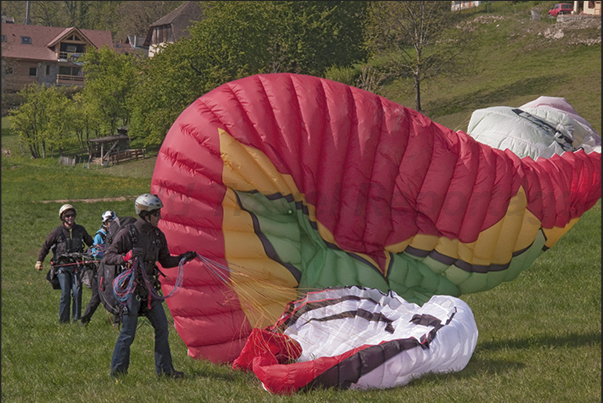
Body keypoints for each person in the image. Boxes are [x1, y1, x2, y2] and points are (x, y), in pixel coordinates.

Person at [103, 194, 196, 378]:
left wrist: (182, 259)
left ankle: (165, 371)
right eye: (156, 214)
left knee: (162, 328)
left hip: (150, 291)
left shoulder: (157, 235)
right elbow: (107, 257)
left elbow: (165, 260)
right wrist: (126, 257)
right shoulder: (128, 233)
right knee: (128, 333)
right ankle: (118, 373)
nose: (160, 217)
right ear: (146, 215)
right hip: (131, 291)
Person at [35, 204, 94, 324]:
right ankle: (63, 322)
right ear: (62, 217)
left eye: (72, 215)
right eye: (67, 216)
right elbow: (46, 246)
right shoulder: (57, 232)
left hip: (77, 266)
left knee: (77, 293)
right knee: (65, 294)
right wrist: (39, 261)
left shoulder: (80, 230)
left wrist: (95, 254)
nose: (70, 218)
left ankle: (76, 320)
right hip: (61, 267)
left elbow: (91, 244)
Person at [81, 210, 116, 326]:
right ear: (105, 222)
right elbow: (95, 254)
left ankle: (118, 320)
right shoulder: (99, 236)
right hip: (98, 271)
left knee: (115, 293)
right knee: (96, 297)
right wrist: (107, 254)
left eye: (113, 221)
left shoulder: (114, 234)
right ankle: (84, 320)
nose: (111, 224)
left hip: (110, 269)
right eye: (109, 221)